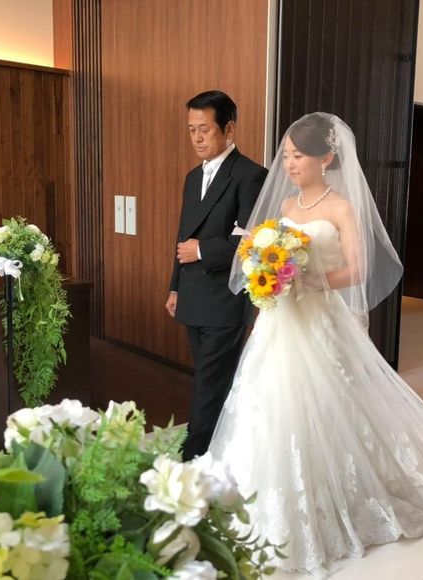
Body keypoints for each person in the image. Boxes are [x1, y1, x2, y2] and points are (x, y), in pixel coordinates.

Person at [208, 113, 423, 576]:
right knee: (268, 401)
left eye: (299, 156)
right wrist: (269, 282)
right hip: (280, 322)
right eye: (286, 156)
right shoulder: (284, 205)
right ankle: (263, 492)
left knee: (329, 401)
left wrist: (312, 280)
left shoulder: (341, 208)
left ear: (326, 158)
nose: (290, 164)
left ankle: (338, 491)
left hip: (320, 318)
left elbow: (360, 269)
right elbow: (266, 260)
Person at [166, 90, 267, 461]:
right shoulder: (193, 177)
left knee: (209, 383)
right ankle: (219, 448)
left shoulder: (251, 175)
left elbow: (255, 242)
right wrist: (175, 287)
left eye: (204, 129)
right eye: (191, 129)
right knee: (212, 380)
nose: (196, 138)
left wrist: (203, 251)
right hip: (193, 295)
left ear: (228, 129)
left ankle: (193, 456)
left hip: (226, 298)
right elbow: (183, 237)